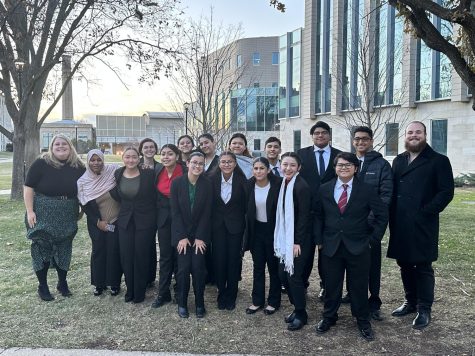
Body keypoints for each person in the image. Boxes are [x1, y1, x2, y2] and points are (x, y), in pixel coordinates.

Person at [313, 152, 388, 341]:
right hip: (331, 246)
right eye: (340, 165)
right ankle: (329, 317)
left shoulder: (367, 189)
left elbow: (381, 215)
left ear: (356, 168)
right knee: (331, 285)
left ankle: (362, 320)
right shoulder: (324, 189)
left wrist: (373, 239)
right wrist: (319, 240)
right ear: (335, 168)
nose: (343, 168)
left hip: (359, 246)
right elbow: (318, 215)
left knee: (359, 286)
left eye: (348, 165)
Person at [387, 121, 454, 330]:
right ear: (404, 136)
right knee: (404, 263)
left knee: (423, 265)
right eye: (410, 132)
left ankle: (424, 308)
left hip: (423, 222)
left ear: (425, 135)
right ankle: (410, 301)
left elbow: (445, 192)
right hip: (399, 222)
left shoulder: (438, 160)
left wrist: (425, 212)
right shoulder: (398, 160)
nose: (413, 135)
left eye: (418, 132)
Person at [24, 134, 86, 301]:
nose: (60, 146)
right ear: (51, 147)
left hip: (67, 212)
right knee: (41, 247)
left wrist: (82, 209)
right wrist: (30, 211)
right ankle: (42, 286)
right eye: (56, 144)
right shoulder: (41, 163)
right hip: (43, 210)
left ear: (70, 146)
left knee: (64, 247)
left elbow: (86, 187)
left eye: (64, 144)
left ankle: (62, 283)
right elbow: (28, 187)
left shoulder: (78, 165)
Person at [340, 126, 393, 321]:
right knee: (349, 262)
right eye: (357, 139)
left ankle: (374, 301)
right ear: (353, 141)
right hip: (348, 227)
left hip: (369, 227)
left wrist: (369, 221)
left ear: (371, 141)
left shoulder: (381, 165)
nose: (360, 142)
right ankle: (351, 294)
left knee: (371, 266)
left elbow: (385, 196)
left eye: (364, 139)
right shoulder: (347, 163)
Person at [297, 121, 341, 299]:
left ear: (329, 135)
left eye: (324, 132)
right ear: (312, 136)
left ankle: (325, 285)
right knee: (305, 253)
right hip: (306, 211)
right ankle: (303, 284)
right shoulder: (301, 155)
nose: (320, 135)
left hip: (330, 212)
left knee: (327, 253)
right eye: (316, 133)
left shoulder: (339, 155)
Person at [112, 147, 157, 303]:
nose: (130, 160)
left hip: (145, 220)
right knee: (126, 255)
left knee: (141, 255)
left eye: (133, 157)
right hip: (125, 220)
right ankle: (129, 290)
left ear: (139, 159)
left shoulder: (149, 174)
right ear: (123, 158)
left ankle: (139, 292)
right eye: (127, 157)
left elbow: (155, 196)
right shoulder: (118, 174)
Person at [170, 151, 212, 318]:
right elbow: (175, 212)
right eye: (194, 162)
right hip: (181, 235)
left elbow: (207, 213)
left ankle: (200, 303)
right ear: (187, 163)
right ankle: (182, 303)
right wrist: (181, 236)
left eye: (201, 163)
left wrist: (200, 237)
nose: (197, 166)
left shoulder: (207, 184)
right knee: (183, 269)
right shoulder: (177, 183)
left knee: (198, 268)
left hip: (200, 235)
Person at [274, 152, 312, 331]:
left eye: (292, 165)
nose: (287, 168)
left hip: (298, 241)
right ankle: (296, 308)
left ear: (299, 168)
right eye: (285, 164)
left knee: (294, 277)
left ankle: (301, 313)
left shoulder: (301, 186)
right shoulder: (284, 183)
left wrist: (297, 242)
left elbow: (304, 217)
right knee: (283, 275)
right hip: (285, 238)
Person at [77, 149, 122, 296]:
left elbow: (130, 168)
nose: (96, 163)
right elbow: (84, 205)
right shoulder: (83, 182)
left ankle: (114, 283)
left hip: (116, 221)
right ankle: (99, 284)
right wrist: (98, 222)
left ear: (103, 160)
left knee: (114, 252)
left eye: (99, 160)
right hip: (96, 223)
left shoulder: (113, 172)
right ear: (88, 161)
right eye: (92, 160)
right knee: (98, 251)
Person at [210, 151, 248, 311]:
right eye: (223, 162)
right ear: (219, 164)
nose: (226, 164)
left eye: (230, 162)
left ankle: (231, 294)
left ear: (235, 164)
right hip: (217, 226)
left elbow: (245, 205)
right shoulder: (211, 180)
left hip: (235, 227)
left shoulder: (241, 181)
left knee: (233, 260)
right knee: (219, 259)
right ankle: (221, 293)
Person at [244, 157, 282, 315]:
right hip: (256, 231)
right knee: (258, 266)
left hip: (273, 230)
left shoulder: (278, 184)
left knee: (274, 268)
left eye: (261, 168)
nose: (258, 171)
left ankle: (273, 301)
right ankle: (257, 300)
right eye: (255, 168)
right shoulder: (248, 185)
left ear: (268, 170)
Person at [151, 144, 186, 308]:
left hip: (182, 219)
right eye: (163, 154)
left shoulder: (185, 170)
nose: (166, 157)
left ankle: (180, 292)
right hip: (164, 219)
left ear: (177, 155)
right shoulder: (158, 170)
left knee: (180, 257)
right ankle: (163, 293)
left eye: (170, 154)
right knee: (165, 257)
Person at [138, 137, 159, 286]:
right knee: (144, 244)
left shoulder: (160, 166)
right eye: (146, 147)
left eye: (152, 147)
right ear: (141, 150)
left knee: (153, 244)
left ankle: (151, 277)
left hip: (158, 208)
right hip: (141, 211)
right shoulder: (135, 166)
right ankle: (143, 275)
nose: (149, 149)